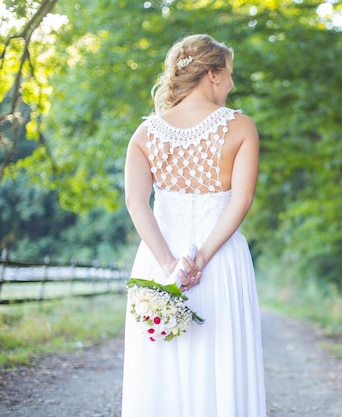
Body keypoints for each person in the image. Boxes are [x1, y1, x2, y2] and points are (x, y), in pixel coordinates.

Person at [121, 34, 266, 417]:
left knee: (160, 366)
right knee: (223, 354)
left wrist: (171, 264)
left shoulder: (144, 134)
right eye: (230, 74)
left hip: (159, 259)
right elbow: (242, 199)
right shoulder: (241, 127)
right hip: (221, 258)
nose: (232, 84)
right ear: (213, 75)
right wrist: (199, 258)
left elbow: (137, 203)